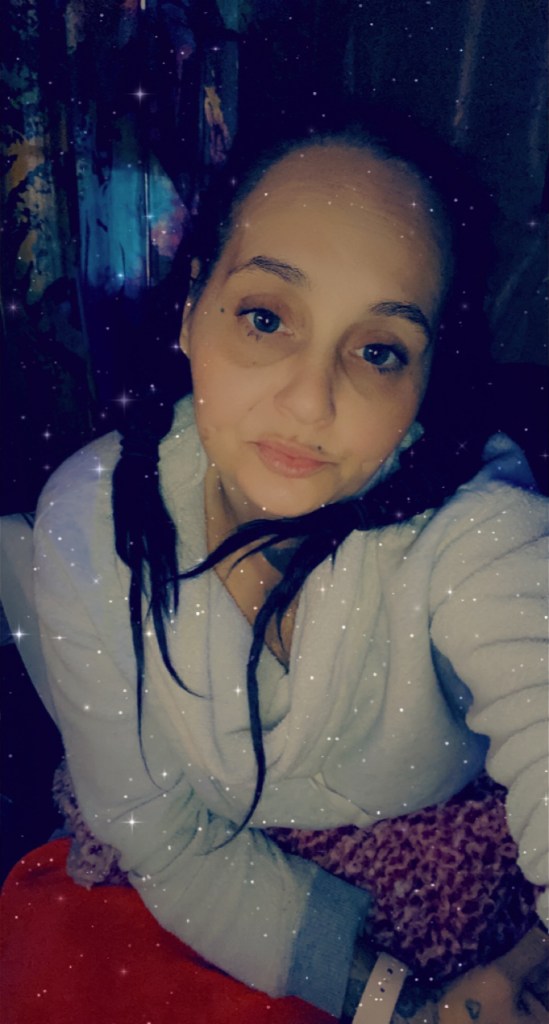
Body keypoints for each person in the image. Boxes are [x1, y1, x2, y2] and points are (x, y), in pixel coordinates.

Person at [7, 107, 548, 1023]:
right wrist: (389, 1002)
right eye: (266, 317)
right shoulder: (89, 524)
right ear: (191, 311)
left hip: (456, 900)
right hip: (184, 899)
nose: (308, 399)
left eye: (378, 350)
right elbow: (166, 842)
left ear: (424, 378)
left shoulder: (475, 524)